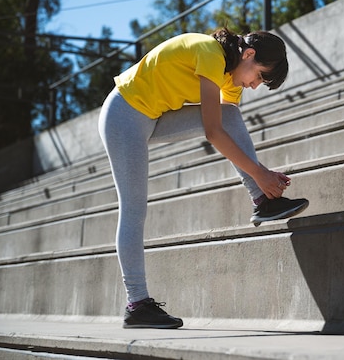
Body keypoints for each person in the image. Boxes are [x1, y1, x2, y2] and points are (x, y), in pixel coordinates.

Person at [98, 28, 309, 329]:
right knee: (134, 208)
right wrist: (260, 172)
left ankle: (262, 201)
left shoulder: (230, 77)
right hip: (124, 114)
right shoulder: (210, 53)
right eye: (260, 76)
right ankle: (137, 304)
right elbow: (213, 133)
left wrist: (258, 177)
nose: (254, 85)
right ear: (248, 55)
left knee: (231, 116)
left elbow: (228, 125)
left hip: (155, 118)